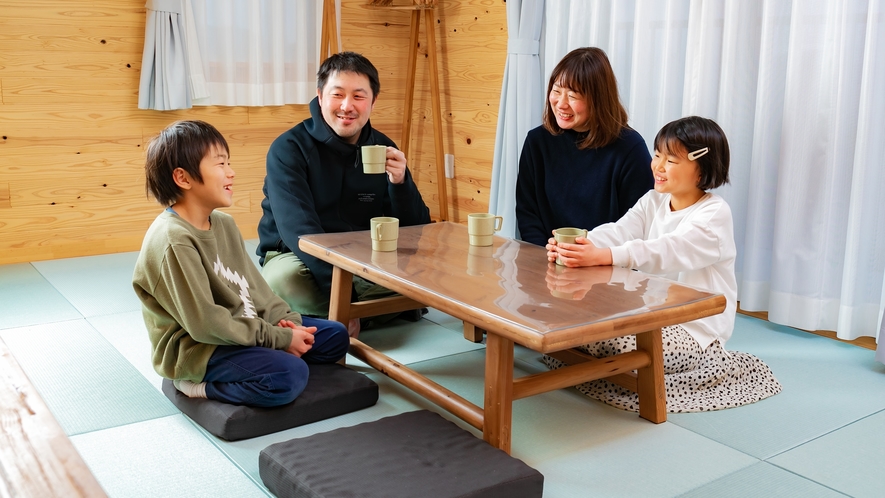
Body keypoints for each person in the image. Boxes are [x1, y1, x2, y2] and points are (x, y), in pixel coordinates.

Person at [544, 116, 781, 412]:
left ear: (700, 170)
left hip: (694, 333)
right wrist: (580, 243)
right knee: (569, 319)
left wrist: (603, 256)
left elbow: (666, 251)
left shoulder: (714, 214)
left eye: (671, 160)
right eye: (657, 155)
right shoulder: (654, 201)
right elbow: (619, 230)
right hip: (649, 316)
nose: (657, 166)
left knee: (604, 341)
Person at [132, 120, 349, 408]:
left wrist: (288, 324)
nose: (231, 172)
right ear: (183, 178)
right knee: (289, 375)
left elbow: (256, 290)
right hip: (199, 348)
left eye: (228, 163)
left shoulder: (223, 224)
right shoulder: (173, 240)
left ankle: (273, 354)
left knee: (336, 335)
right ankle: (196, 386)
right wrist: (279, 339)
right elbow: (206, 324)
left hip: (241, 327)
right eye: (220, 164)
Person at [257, 51, 430, 336]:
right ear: (320, 96)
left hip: (362, 256)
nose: (347, 106)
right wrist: (344, 300)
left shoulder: (383, 147)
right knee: (284, 280)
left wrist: (400, 183)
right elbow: (299, 232)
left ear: (373, 102)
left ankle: (324, 318)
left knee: (426, 269)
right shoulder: (289, 148)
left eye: (359, 97)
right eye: (337, 94)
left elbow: (417, 230)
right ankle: (378, 310)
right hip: (299, 256)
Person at [516, 47, 654, 247]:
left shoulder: (630, 148)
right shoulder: (537, 141)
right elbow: (527, 212)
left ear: (598, 99)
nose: (561, 104)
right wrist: (543, 258)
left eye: (573, 96)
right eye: (556, 91)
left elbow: (638, 225)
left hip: (606, 264)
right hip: (546, 259)